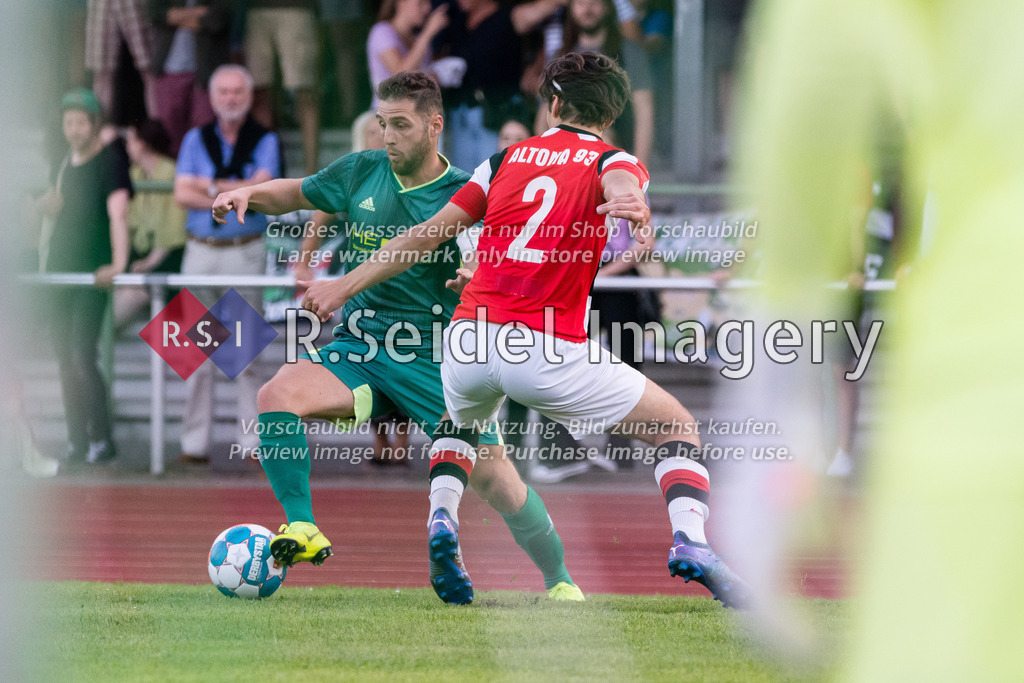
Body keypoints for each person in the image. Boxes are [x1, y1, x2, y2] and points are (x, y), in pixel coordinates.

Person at [296, 53, 749, 608]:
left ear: (553, 104)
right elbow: (620, 179)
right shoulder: (613, 157)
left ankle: (442, 519)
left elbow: (424, 236)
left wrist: (342, 286)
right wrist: (631, 203)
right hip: (542, 347)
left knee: (457, 425)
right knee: (676, 428)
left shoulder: (502, 159)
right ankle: (694, 542)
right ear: (611, 115)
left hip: (466, 340)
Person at [212, 71, 584, 604]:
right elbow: (294, 192)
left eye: (401, 125)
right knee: (276, 396)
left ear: (434, 126)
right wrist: (249, 193)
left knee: (497, 481)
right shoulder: (362, 170)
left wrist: (471, 277)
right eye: (383, 123)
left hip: (436, 359)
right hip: (360, 349)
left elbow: (493, 266)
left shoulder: (466, 192)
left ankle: (559, 578)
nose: (387, 135)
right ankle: (301, 527)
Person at [174, 65, 280, 465]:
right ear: (213, 97)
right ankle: (193, 444)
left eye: (238, 91)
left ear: (249, 96)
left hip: (244, 250)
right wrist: (231, 188)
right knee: (192, 354)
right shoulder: (193, 137)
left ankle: (252, 444)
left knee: (247, 354)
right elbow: (181, 193)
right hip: (198, 252)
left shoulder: (266, 138)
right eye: (224, 91)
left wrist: (209, 184)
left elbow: (260, 191)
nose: (231, 98)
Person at [38, 88, 132, 464]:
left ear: (95, 124)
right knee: (64, 357)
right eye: (68, 123)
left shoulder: (110, 161)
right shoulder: (61, 162)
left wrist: (119, 262)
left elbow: (118, 215)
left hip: (93, 274)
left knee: (81, 354)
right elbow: (50, 211)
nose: (74, 130)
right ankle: (77, 440)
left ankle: (101, 438)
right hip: (59, 271)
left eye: (80, 122)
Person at [554, 0, 653, 165]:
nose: (587, 9)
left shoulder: (629, 51)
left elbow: (644, 112)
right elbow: (545, 116)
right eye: (580, 4)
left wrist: (637, 167)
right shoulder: (561, 56)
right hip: (569, 159)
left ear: (608, 7)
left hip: (618, 153)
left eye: (594, 3)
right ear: (571, 9)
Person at [114, 118, 187, 328]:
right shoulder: (135, 174)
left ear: (142, 143)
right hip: (143, 251)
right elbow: (131, 221)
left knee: (132, 291)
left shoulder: (172, 172)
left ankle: (97, 336)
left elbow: (173, 228)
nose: (126, 147)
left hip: (171, 254)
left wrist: (149, 263)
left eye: (129, 141)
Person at [147, 0, 233, 155]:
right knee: (169, 132)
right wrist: (197, 13)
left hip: (206, 71)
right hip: (169, 69)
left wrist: (175, 17)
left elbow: (217, 21)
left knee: (204, 129)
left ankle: (201, 174)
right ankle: (172, 177)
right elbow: (155, 14)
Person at [244, 0, 320, 176]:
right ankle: (265, 170)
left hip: (296, 8)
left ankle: (313, 175)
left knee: (305, 91)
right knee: (259, 91)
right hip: (256, 9)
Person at [366, 0, 449, 103]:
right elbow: (400, 74)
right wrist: (428, 32)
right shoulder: (381, 32)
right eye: (421, 3)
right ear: (402, 3)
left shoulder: (417, 38)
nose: (427, 9)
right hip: (389, 114)